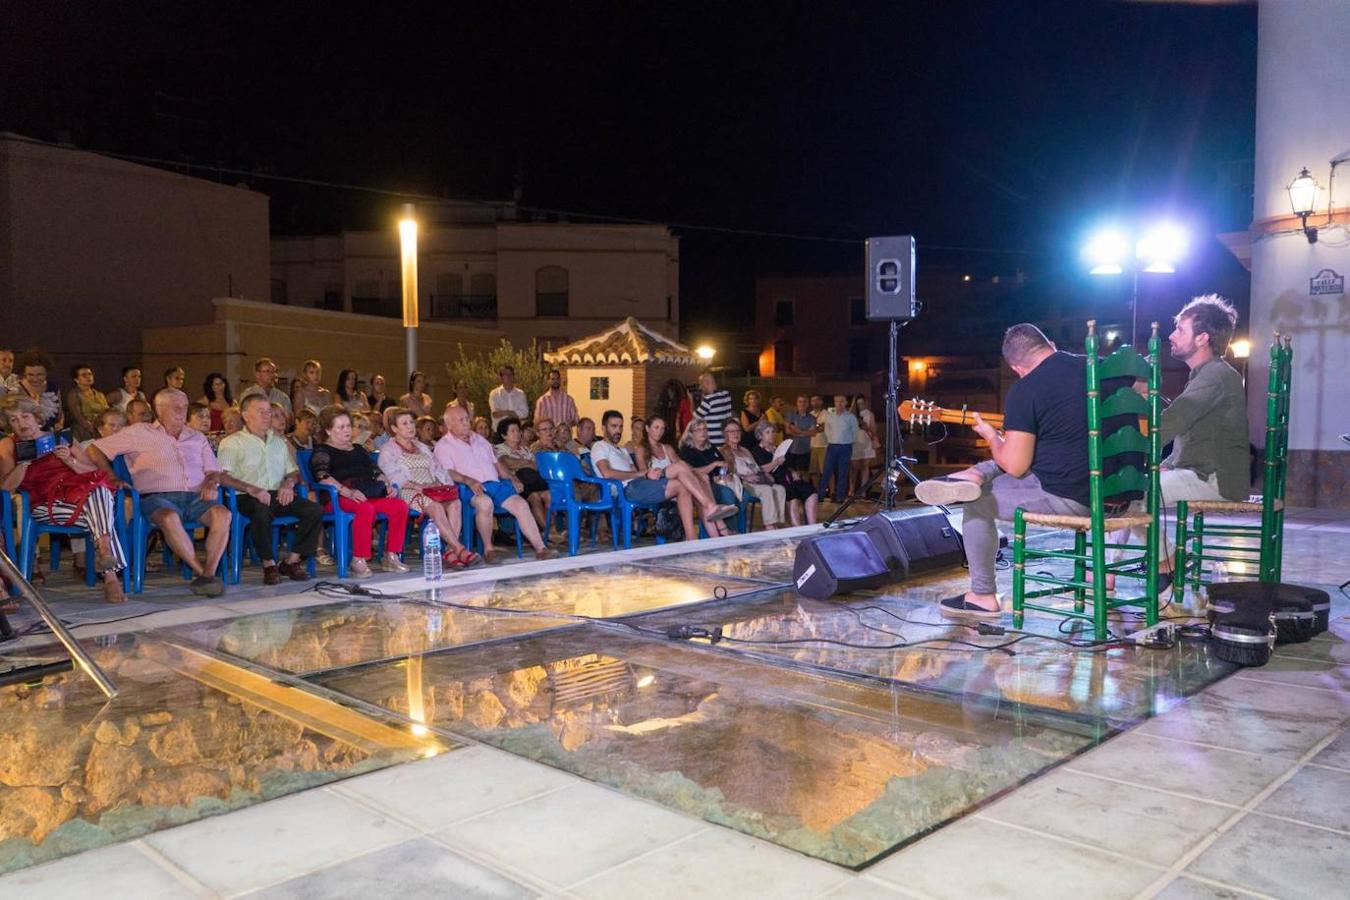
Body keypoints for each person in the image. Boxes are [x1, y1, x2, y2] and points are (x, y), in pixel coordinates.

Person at [913, 324, 1091, 618]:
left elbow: (1017, 465)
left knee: (975, 503)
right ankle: (976, 474)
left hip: (1074, 498)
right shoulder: (1096, 369)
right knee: (1022, 456)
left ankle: (981, 596)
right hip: (1120, 494)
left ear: (1016, 366)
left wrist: (991, 437)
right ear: (1051, 345)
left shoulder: (1028, 388)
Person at [1108, 295, 1252, 580]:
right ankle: (1109, 572)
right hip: (1201, 471)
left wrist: (1129, 407)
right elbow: (1194, 430)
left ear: (1202, 338)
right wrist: (1171, 462)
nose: (1171, 336)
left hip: (1216, 479)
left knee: (1130, 492)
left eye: (1180, 330)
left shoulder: (1217, 376)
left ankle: (1167, 559)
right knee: (1127, 488)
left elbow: (1169, 424)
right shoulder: (1207, 374)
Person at [87, 388, 233, 598]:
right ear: (159, 410)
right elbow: (94, 449)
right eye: (176, 407)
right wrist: (111, 475)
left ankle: (208, 573)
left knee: (223, 514)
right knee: (169, 517)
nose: (182, 412)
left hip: (195, 497)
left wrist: (210, 482)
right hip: (156, 497)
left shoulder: (197, 437)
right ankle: (201, 572)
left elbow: (213, 470)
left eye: (184, 407)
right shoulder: (139, 432)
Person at [0, 395, 128, 603]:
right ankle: (110, 573)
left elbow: (94, 472)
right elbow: (6, 486)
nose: (21, 423)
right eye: (14, 420)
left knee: (99, 491)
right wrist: (23, 464)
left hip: (79, 497)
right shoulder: (9, 444)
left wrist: (70, 461)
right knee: (102, 510)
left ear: (37, 418)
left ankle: (105, 555)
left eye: (25, 416)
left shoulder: (61, 438)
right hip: (44, 505)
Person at [216, 394, 321, 585]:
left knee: (313, 510)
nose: (267, 416)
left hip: (275, 493)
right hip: (245, 496)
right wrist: (252, 489)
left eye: (269, 412)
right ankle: (269, 564)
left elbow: (294, 471)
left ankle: (291, 561)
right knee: (260, 510)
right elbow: (222, 477)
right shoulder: (232, 442)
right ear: (246, 415)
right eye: (260, 411)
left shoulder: (279, 442)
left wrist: (288, 484)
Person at [434, 404, 558, 563]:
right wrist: (468, 480)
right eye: (461, 420)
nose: (466, 422)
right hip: (468, 487)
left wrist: (512, 478)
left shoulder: (480, 440)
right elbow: (447, 472)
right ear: (449, 424)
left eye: (467, 418)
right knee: (485, 503)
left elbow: (496, 463)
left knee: (520, 504)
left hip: (494, 483)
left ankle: (541, 548)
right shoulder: (444, 445)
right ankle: (488, 549)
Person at [592, 410, 736, 542]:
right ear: (604, 427)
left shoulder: (622, 451)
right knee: (682, 470)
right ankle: (712, 510)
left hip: (641, 484)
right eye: (614, 426)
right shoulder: (600, 446)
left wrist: (644, 474)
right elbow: (607, 473)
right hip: (627, 489)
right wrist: (644, 473)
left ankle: (695, 538)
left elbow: (637, 473)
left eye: (620, 427)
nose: (618, 430)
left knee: (688, 484)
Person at [308, 405, 411, 577]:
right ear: (328, 430)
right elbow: (323, 476)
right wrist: (346, 491)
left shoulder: (358, 449)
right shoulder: (322, 451)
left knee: (399, 506)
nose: (347, 430)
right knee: (365, 508)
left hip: (366, 494)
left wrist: (386, 484)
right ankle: (358, 559)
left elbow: (375, 471)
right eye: (341, 427)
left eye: (348, 426)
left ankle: (391, 555)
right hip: (337, 499)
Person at [378, 407, 479, 569]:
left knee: (455, 503)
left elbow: (439, 468)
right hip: (409, 490)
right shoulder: (388, 450)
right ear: (394, 429)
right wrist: (418, 486)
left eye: (411, 422)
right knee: (435, 507)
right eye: (404, 423)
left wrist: (439, 482)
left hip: (432, 489)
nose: (410, 426)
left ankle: (449, 552)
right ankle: (459, 549)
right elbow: (393, 476)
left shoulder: (422, 447)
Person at [643, 415, 732, 536]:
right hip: (659, 486)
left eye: (662, 428)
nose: (660, 431)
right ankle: (720, 524)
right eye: (656, 427)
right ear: (647, 428)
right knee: (693, 481)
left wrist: (698, 474)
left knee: (702, 479)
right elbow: (644, 473)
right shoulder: (641, 448)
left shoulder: (667, 448)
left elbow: (685, 467)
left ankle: (715, 538)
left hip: (679, 483)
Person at [720, 420, 787, 529]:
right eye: (731, 431)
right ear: (725, 434)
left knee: (780, 489)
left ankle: (777, 525)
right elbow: (727, 473)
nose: (735, 434)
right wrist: (745, 477)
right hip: (743, 484)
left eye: (737, 431)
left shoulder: (745, 450)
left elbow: (756, 467)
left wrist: (764, 474)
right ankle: (769, 526)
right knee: (767, 490)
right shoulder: (724, 451)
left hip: (757, 480)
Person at [750, 419, 818, 526]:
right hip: (774, 480)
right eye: (767, 432)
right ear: (760, 435)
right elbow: (759, 470)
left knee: (812, 493)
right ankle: (797, 531)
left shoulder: (778, 448)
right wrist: (775, 462)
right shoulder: (756, 450)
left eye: (773, 432)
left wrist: (793, 472)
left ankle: (812, 525)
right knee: (793, 498)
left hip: (788, 478)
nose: (771, 435)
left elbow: (788, 466)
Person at [494, 416, 553, 531]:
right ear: (504, 435)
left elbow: (538, 466)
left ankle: (554, 530)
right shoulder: (499, 448)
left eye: (518, 430)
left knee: (548, 494)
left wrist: (527, 464)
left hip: (532, 484)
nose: (517, 433)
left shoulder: (525, 450)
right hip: (514, 485)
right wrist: (528, 464)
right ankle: (548, 532)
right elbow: (507, 463)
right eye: (512, 431)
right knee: (530, 486)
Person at [679, 418, 741, 509]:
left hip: (720, 482)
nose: (703, 432)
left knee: (743, 497)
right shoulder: (686, 450)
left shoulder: (710, 447)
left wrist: (724, 474)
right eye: (699, 430)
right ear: (691, 433)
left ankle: (738, 523)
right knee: (728, 494)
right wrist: (713, 465)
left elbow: (723, 464)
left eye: (705, 429)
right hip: (700, 486)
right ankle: (724, 522)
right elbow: (690, 472)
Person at [817, 394, 858, 503]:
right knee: (826, 471)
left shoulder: (851, 417)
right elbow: (827, 431)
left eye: (841, 401)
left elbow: (855, 433)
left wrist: (847, 441)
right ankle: (820, 495)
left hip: (845, 447)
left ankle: (840, 497)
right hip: (832, 446)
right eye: (836, 401)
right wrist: (833, 441)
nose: (839, 404)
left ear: (845, 403)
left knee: (843, 473)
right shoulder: (830, 417)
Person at [14, 350, 63, 431]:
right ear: (24, 373)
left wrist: (60, 423)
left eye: (40, 374)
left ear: (46, 373)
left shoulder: (53, 387)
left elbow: (60, 414)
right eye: (30, 375)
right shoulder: (16, 390)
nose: (35, 379)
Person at [64, 363, 109, 442]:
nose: (88, 377)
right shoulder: (74, 395)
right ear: (76, 379)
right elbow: (78, 417)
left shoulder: (99, 394)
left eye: (90, 374)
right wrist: (94, 430)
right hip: (85, 431)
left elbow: (107, 412)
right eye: (84, 375)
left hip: (103, 429)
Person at [694, 371, 733, 446]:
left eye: (700, 384)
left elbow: (695, 419)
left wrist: (691, 401)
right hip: (726, 440)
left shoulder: (708, 400)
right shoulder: (726, 395)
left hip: (713, 442)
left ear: (706, 383)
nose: (700, 387)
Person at [849, 394, 878, 495]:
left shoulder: (869, 414)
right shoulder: (851, 415)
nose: (860, 406)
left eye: (862, 403)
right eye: (858, 404)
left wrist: (865, 426)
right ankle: (851, 490)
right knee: (854, 468)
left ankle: (863, 491)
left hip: (866, 443)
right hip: (855, 443)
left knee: (865, 467)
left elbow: (874, 430)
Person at [785, 395, 819, 474]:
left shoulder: (812, 418)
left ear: (807, 404)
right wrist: (805, 432)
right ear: (797, 403)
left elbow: (813, 433)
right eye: (800, 401)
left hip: (805, 451)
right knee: (790, 474)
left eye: (804, 402)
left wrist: (796, 430)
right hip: (791, 450)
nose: (802, 404)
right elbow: (787, 431)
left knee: (803, 474)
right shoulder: (790, 415)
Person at [489, 365, 529, 429]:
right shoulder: (494, 394)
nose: (509, 377)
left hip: (517, 431)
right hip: (499, 431)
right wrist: (514, 413)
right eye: (506, 375)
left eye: (510, 374)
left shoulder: (520, 394)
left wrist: (505, 412)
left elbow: (525, 413)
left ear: (513, 376)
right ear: (501, 377)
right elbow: (495, 414)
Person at [808, 394, 828, 477]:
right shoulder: (809, 414)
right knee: (814, 472)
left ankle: (832, 490)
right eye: (813, 401)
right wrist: (817, 425)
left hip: (823, 446)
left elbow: (821, 428)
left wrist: (813, 427)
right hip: (812, 446)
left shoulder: (826, 414)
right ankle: (816, 489)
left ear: (821, 402)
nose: (815, 403)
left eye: (817, 400)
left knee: (826, 471)